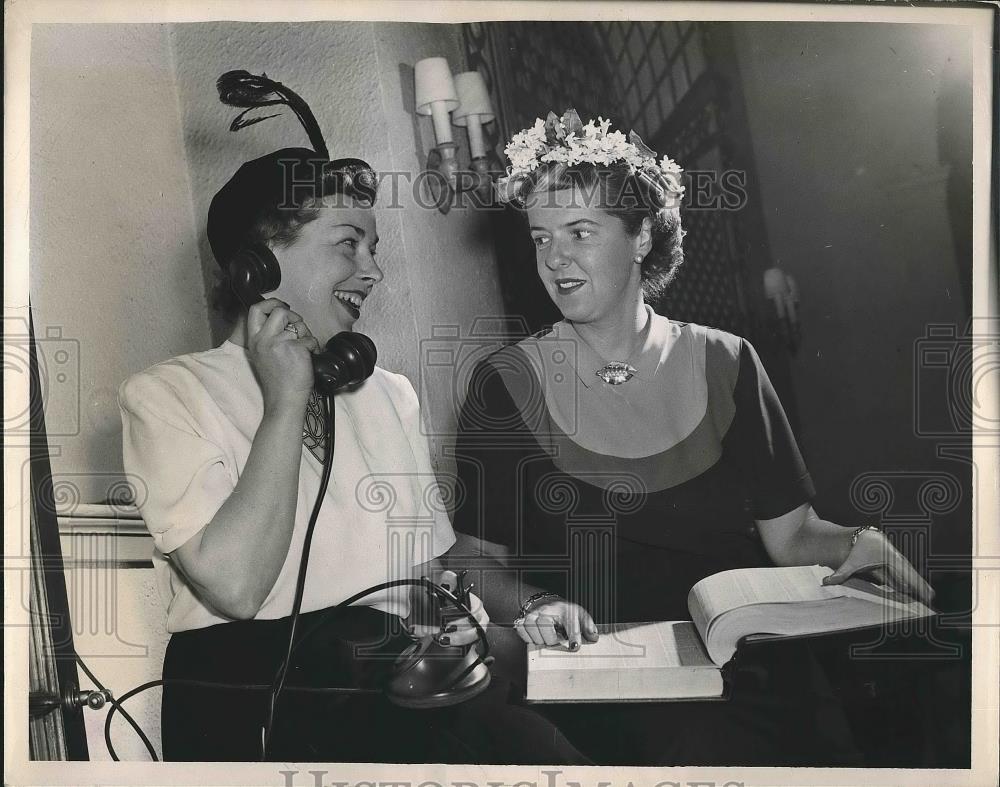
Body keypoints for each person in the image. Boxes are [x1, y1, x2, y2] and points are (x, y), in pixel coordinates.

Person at [119, 72, 586, 764]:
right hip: (254, 703)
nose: (373, 272)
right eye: (347, 244)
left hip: (388, 682)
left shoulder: (385, 392)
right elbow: (238, 586)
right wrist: (284, 401)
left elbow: (424, 568)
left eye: (373, 248)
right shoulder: (167, 395)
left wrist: (517, 608)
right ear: (257, 264)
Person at [450, 110, 935, 766]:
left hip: (741, 673)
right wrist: (537, 602)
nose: (553, 258)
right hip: (599, 683)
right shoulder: (505, 385)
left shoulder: (728, 363)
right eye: (540, 237)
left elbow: (791, 535)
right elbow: (474, 557)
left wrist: (857, 541)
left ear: (642, 235)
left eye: (579, 232)